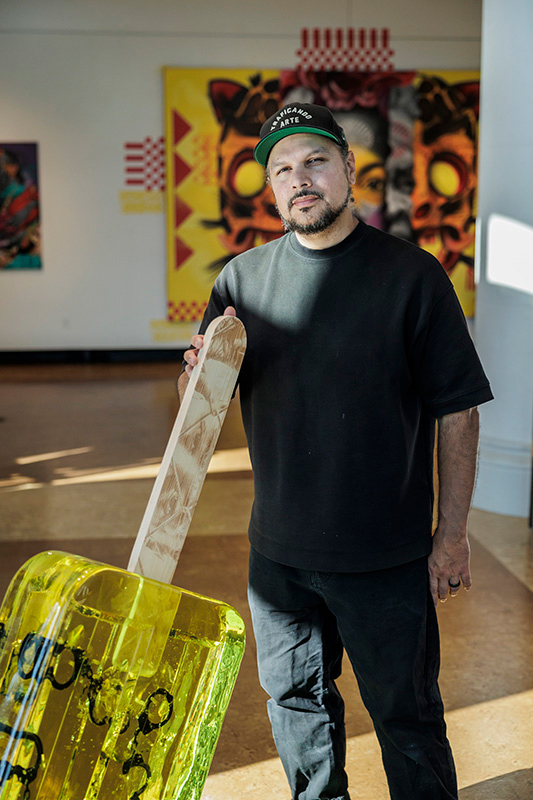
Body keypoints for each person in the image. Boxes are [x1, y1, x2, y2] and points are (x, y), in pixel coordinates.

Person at [178, 103, 493, 800]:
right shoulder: (239, 282)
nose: (300, 179)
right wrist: (196, 376)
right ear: (269, 186)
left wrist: (450, 537)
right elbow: (199, 405)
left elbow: (458, 413)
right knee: (296, 712)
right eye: (282, 169)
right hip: (278, 559)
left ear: (349, 170)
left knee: (407, 721)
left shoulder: (411, 277)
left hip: (384, 559)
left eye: (315, 161)